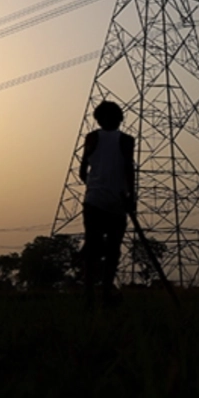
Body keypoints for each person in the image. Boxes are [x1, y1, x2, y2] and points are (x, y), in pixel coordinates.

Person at [78, 100, 136, 307]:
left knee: (93, 248)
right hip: (116, 202)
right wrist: (131, 198)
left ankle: (90, 294)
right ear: (120, 119)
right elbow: (129, 170)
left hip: (95, 201)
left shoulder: (92, 138)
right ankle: (104, 293)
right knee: (112, 249)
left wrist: (93, 185)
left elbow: (83, 169)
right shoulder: (127, 140)